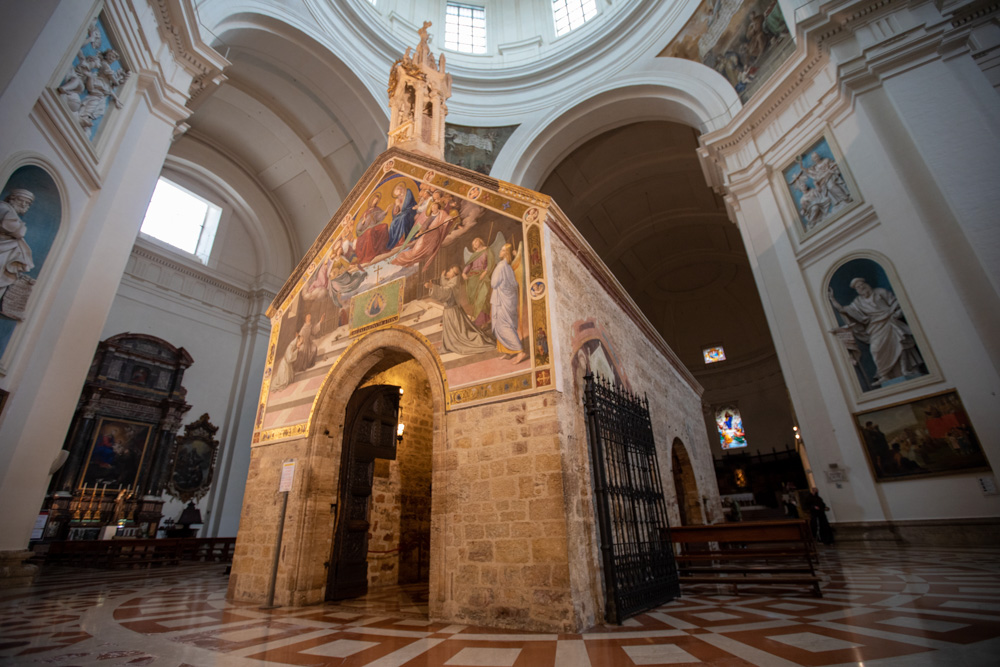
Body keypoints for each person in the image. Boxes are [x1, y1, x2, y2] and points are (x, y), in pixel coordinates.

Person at [829, 278, 925, 386]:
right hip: (876, 326)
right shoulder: (858, 302)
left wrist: (897, 313)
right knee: (875, 349)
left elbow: (897, 303)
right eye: (858, 287)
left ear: (866, 284)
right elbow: (843, 309)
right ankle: (885, 375)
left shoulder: (880, 292)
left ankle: (905, 370)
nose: (861, 287)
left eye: (862, 284)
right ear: (856, 290)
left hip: (890, 321)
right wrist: (832, 298)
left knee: (900, 344)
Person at [423, 266, 495, 356]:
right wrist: (442, 277)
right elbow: (446, 286)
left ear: (454, 275)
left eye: (450, 271)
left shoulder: (453, 285)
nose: (447, 272)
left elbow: (445, 291)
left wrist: (432, 286)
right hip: (451, 311)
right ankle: (450, 344)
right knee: (454, 334)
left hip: (452, 313)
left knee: (461, 335)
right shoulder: (452, 282)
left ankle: (472, 341)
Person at [490, 243, 526, 363]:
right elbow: (514, 285)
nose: (500, 252)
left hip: (501, 301)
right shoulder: (509, 268)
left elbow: (494, 283)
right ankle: (508, 351)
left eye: (502, 250)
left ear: (506, 253)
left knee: (502, 325)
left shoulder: (501, 266)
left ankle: (520, 351)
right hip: (508, 300)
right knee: (506, 324)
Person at [0, 188, 35, 309]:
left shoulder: (12, 213)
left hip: (7, 252)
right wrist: (21, 227)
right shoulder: (3, 207)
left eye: (27, 203)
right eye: (21, 200)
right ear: (12, 199)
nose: (24, 205)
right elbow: (16, 230)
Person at [462, 237, 495, 329]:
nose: (475, 243)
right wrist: (464, 273)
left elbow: (491, 263)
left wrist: (485, 273)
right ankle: (480, 321)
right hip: (473, 278)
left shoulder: (487, 250)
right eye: (473, 243)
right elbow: (469, 265)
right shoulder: (474, 254)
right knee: (477, 301)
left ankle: (483, 321)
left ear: (480, 241)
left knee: (483, 299)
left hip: (484, 277)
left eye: (476, 241)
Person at [354, 193, 389, 265]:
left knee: (384, 226)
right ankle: (370, 254)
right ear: (371, 201)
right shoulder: (365, 213)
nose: (375, 202)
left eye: (377, 201)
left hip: (375, 227)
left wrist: (385, 212)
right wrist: (363, 221)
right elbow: (359, 228)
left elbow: (379, 217)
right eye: (374, 200)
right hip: (366, 230)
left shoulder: (377, 209)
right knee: (370, 231)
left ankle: (382, 248)